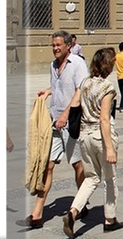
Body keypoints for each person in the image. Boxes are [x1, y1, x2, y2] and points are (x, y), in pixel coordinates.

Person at [26, 30, 88, 228]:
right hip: (55, 123)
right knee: (48, 165)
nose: (55, 48)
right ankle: (37, 214)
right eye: (53, 45)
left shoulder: (77, 63)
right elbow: (60, 85)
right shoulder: (53, 65)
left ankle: (81, 202)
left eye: (58, 45)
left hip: (72, 123)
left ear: (68, 45)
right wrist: (48, 90)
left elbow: (80, 90)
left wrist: (65, 115)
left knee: (76, 165)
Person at [62, 47, 123, 239]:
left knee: (91, 178)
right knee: (109, 178)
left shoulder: (85, 82)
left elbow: (75, 105)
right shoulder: (107, 87)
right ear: (108, 65)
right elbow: (104, 119)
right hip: (100, 136)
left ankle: (73, 211)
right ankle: (110, 219)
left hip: (84, 136)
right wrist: (110, 149)